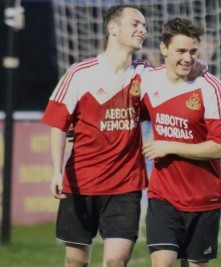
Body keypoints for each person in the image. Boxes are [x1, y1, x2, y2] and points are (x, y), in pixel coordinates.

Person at [42, 5, 149, 267]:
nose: (142, 30)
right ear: (113, 28)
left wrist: (197, 66)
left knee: (116, 260)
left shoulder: (146, 74)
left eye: (144, 26)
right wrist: (56, 171)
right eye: (135, 24)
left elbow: (175, 85)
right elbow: (57, 123)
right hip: (81, 182)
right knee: (75, 260)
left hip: (126, 184)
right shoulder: (80, 73)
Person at [140, 18, 221, 267]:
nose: (188, 58)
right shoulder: (147, 80)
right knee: (162, 263)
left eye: (193, 51)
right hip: (163, 194)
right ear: (163, 49)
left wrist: (169, 146)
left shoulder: (212, 87)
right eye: (180, 51)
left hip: (204, 197)